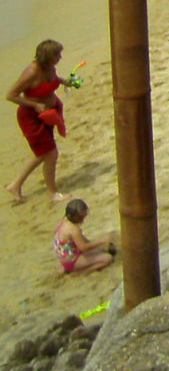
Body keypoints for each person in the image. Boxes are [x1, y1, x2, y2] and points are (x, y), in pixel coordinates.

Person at [6, 40, 68, 203]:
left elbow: (53, 79)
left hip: (47, 115)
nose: (60, 57)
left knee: (43, 154)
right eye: (57, 55)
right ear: (47, 57)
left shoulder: (50, 68)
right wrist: (35, 105)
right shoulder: (31, 72)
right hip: (31, 118)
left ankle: (15, 185)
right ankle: (52, 193)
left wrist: (65, 82)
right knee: (51, 154)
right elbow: (11, 95)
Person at [54, 199, 114, 275]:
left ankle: (68, 268)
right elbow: (84, 247)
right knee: (108, 258)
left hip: (66, 258)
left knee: (100, 251)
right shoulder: (74, 229)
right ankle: (80, 273)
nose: (82, 220)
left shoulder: (64, 223)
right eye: (81, 217)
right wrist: (102, 241)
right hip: (72, 261)